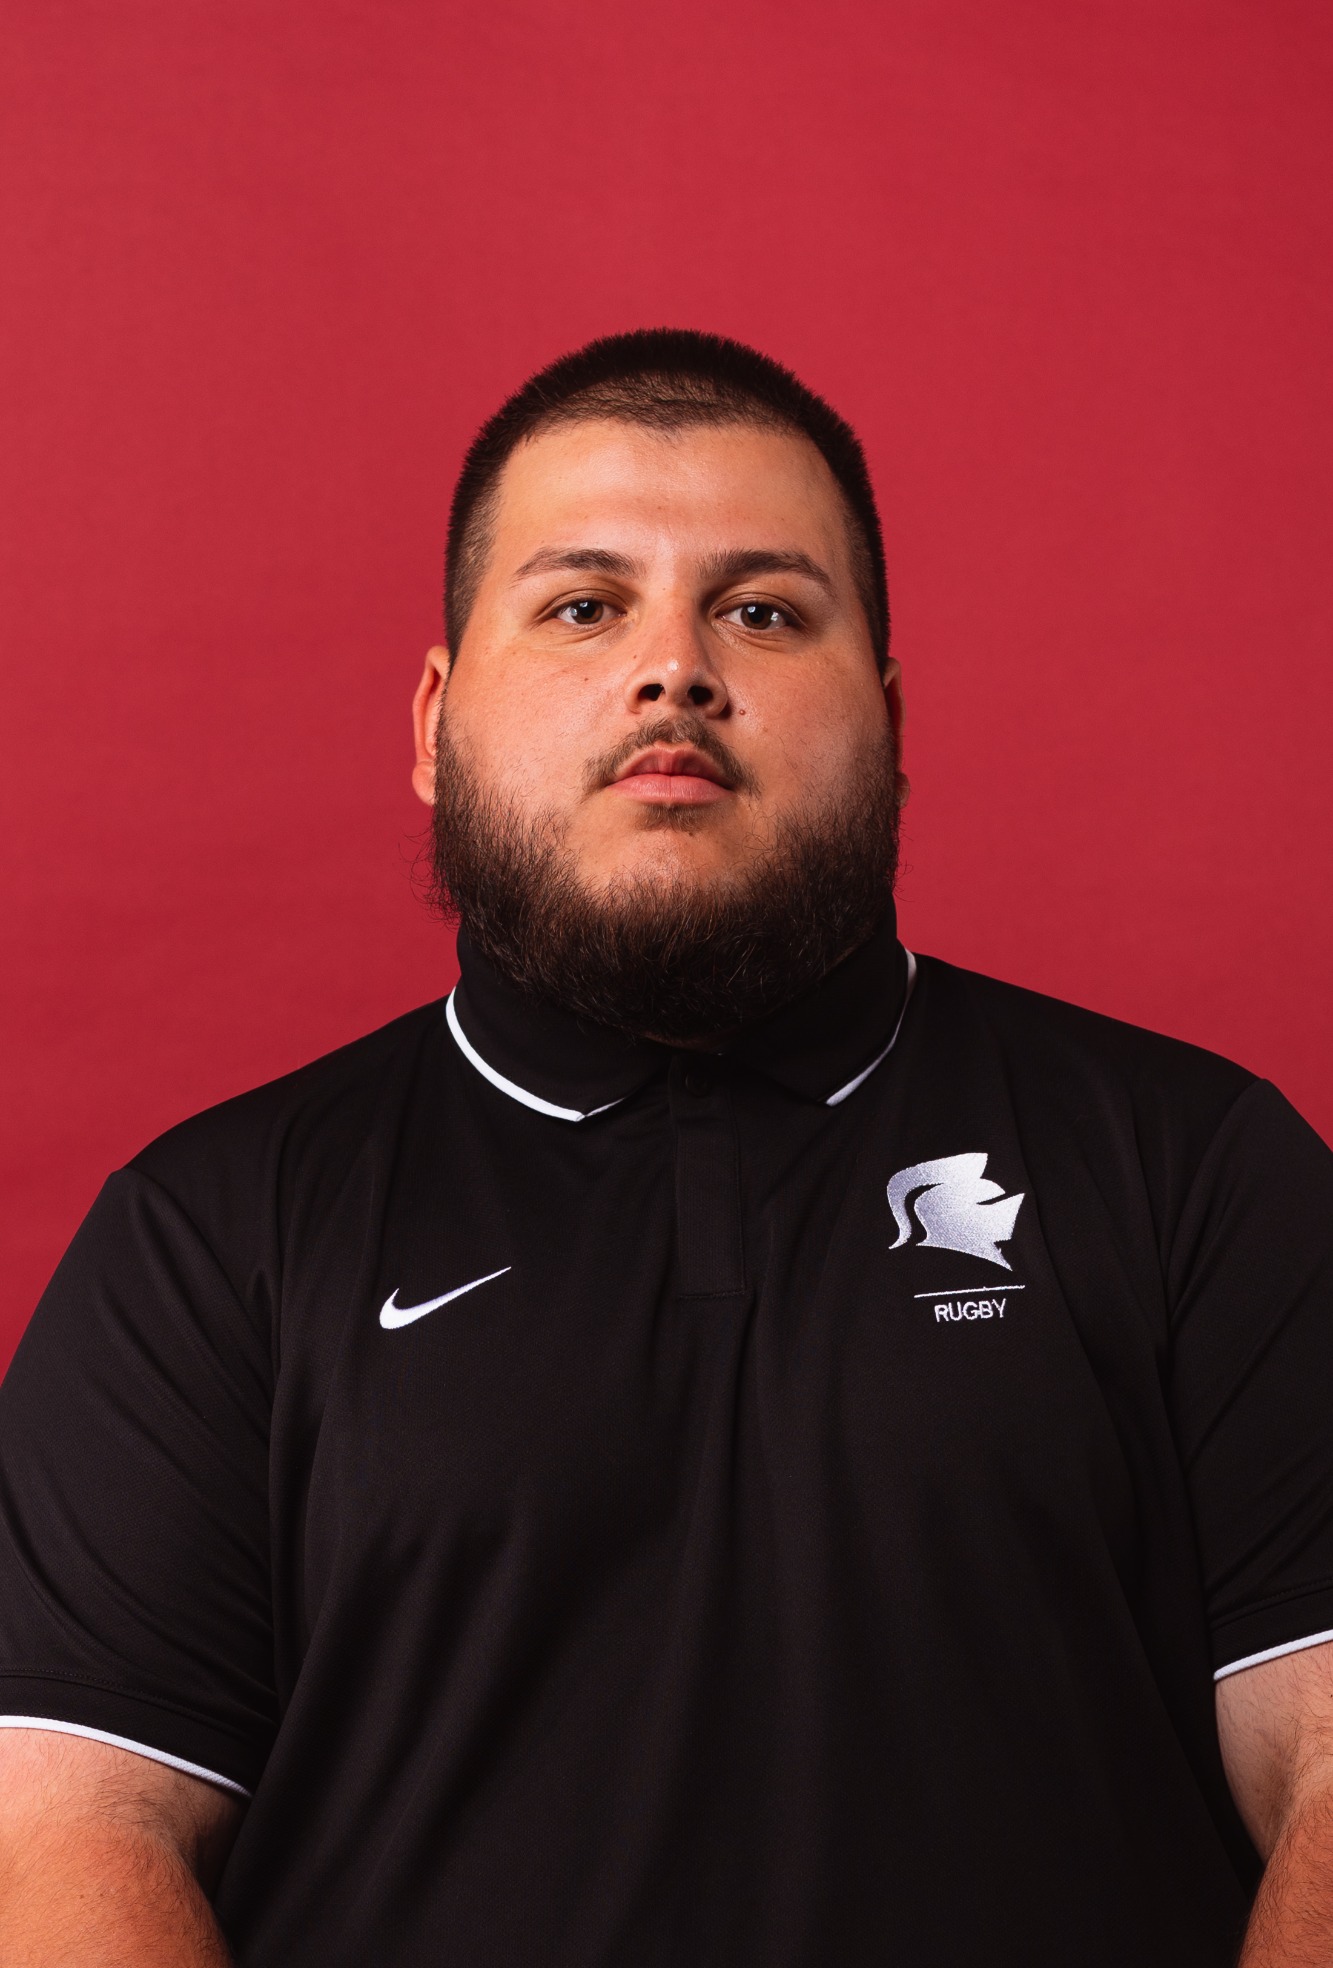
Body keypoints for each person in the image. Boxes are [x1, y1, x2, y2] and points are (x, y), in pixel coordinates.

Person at [1, 329, 1331, 1968]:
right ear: (435, 720)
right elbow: (66, 1832)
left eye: (762, 611)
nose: (673, 672)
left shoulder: (1195, 1173)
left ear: (889, 720)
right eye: (583, 606)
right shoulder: (209, 1237)